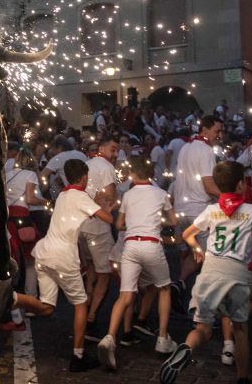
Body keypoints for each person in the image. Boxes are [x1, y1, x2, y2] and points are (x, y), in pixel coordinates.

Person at [159, 160, 252, 384]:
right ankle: (242, 377)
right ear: (241, 185)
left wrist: (198, 250)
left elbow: (187, 235)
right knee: (240, 328)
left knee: (203, 327)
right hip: (236, 274)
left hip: (210, 271)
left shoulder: (212, 210)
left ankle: (186, 348)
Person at [32, 159, 113, 372]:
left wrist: (94, 203)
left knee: (47, 306)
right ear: (84, 177)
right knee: (80, 303)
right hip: (62, 256)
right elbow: (108, 219)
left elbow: (80, 209)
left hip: (44, 252)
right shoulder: (79, 196)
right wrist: (106, 206)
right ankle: (78, 356)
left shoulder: (63, 195)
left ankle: (11, 299)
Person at [97, 156, 177, 369]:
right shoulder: (161, 194)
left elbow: (119, 224)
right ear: (151, 173)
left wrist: (133, 225)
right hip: (152, 244)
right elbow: (174, 221)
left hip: (131, 246)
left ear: (133, 175)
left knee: (125, 295)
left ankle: (110, 338)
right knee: (164, 288)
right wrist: (159, 221)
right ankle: (162, 338)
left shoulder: (129, 195)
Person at [172, 116, 223, 310]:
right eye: (217, 131)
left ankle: (180, 283)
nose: (220, 135)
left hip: (181, 211)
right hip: (199, 211)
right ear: (204, 130)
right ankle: (202, 306)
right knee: (212, 261)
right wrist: (230, 195)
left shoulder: (186, 147)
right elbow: (209, 187)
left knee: (197, 255)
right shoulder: (206, 150)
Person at [80, 137, 119, 340]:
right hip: (98, 226)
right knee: (105, 274)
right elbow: (109, 196)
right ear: (102, 148)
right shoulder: (106, 166)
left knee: (92, 270)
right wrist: (113, 205)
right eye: (113, 149)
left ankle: (85, 308)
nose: (115, 154)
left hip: (81, 226)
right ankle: (91, 319)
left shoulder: (86, 164)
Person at [4, 148, 45, 296]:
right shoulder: (31, 175)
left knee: (12, 257)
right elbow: (30, 199)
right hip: (23, 219)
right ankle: (31, 297)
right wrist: (45, 201)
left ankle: (10, 296)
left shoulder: (6, 174)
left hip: (8, 219)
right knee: (31, 259)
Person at [37, 137, 86, 202]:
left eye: (52, 148)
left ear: (59, 147)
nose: (51, 151)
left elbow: (42, 175)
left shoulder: (59, 157)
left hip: (72, 195)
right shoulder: (81, 154)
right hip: (85, 193)